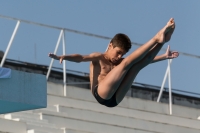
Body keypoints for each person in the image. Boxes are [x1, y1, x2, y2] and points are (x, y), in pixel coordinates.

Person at [49, 18, 179, 108]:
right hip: (100, 93)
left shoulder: (121, 62)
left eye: (122, 54)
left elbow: (144, 60)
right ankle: (156, 37)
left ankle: (162, 41)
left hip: (115, 100)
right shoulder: (99, 57)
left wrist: (163, 56)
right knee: (127, 64)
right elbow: (81, 58)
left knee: (137, 66)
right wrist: (64, 56)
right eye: (118, 52)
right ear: (110, 45)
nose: (119, 56)